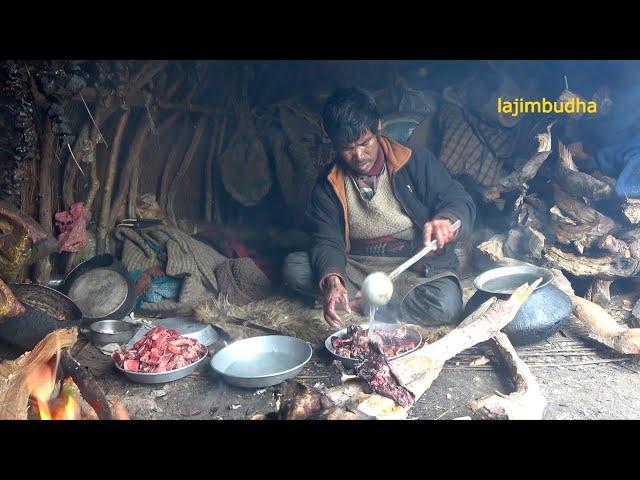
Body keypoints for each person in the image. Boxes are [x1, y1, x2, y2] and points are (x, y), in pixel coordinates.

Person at [283, 87, 476, 328]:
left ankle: (366, 303)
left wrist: (447, 219)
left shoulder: (412, 159)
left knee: (445, 305)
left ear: (378, 127)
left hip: (410, 266)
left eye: (365, 143)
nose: (359, 155)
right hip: (356, 266)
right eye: (347, 147)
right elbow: (327, 239)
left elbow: (457, 197)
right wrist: (333, 279)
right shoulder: (328, 183)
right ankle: (364, 298)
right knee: (296, 267)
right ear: (332, 141)